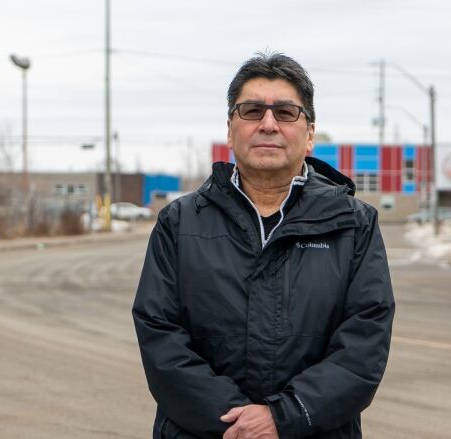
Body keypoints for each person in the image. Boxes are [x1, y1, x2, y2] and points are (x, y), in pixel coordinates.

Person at [133, 52, 395, 439]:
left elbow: (363, 347)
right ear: (229, 129)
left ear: (309, 134)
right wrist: (238, 423)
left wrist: (283, 417)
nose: (268, 124)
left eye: (286, 112)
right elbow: (160, 337)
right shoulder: (180, 223)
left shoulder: (354, 225)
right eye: (252, 110)